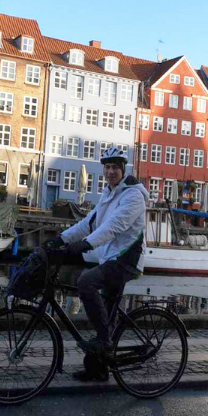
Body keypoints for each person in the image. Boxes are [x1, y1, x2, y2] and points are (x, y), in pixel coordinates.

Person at [47, 147, 150, 381]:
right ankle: (99, 369)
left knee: (86, 282)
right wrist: (61, 238)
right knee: (106, 311)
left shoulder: (133, 195)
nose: (110, 171)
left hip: (126, 259)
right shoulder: (109, 193)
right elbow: (89, 222)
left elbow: (114, 226)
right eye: (107, 167)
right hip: (111, 257)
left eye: (115, 167)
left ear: (122, 169)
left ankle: (104, 341)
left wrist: (86, 244)